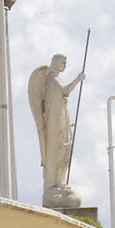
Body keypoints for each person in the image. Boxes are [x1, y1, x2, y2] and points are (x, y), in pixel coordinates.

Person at [28, 54, 85, 192]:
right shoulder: (51, 78)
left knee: (64, 148)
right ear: (56, 63)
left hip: (61, 118)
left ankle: (60, 180)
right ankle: (52, 182)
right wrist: (78, 79)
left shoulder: (57, 78)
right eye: (63, 63)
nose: (65, 66)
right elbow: (65, 91)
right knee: (55, 150)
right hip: (53, 119)